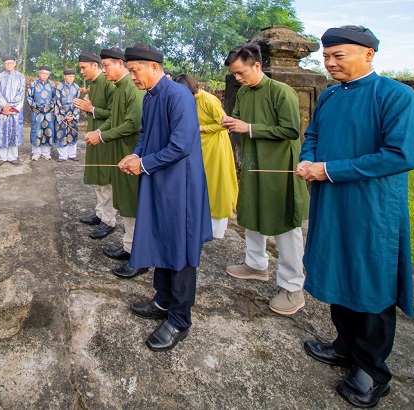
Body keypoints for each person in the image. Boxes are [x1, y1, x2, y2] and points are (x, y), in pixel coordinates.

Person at [296, 26, 414, 408]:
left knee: (371, 278)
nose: (330, 63)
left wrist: (330, 169)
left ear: (369, 54)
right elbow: (314, 134)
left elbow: (402, 154)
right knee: (338, 269)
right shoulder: (331, 95)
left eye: (340, 55)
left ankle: (372, 369)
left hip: (372, 206)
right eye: (326, 57)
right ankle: (344, 345)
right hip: (332, 201)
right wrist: (308, 158)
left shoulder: (397, 96)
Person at [117, 44, 212, 351]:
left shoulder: (177, 95)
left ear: (154, 68)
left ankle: (180, 319)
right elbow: (145, 134)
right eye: (130, 71)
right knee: (160, 237)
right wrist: (136, 154)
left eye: (135, 71)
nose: (133, 77)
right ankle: (162, 300)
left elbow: (181, 145)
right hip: (158, 179)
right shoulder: (150, 97)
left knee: (180, 247)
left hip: (179, 186)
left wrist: (144, 164)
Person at [221, 42, 309, 317]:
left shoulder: (282, 92)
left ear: (256, 65)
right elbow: (239, 120)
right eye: (234, 74)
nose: (238, 79)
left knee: (285, 224)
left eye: (241, 73)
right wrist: (229, 123)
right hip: (252, 162)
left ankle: (292, 285)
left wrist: (250, 128)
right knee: (251, 212)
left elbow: (291, 130)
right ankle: (256, 264)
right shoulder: (245, 94)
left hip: (277, 166)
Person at [84, 47, 143, 276]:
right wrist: (99, 133)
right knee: (125, 202)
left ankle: (138, 255)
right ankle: (129, 246)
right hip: (120, 152)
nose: (104, 70)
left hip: (132, 153)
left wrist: (102, 135)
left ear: (121, 63)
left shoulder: (131, 88)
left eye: (107, 65)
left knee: (133, 204)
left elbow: (132, 124)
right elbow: (114, 119)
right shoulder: (119, 87)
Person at [174, 74, 237, 239]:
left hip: (215, 147)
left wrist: (201, 128)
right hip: (201, 147)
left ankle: (217, 229)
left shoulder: (208, 100)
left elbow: (223, 124)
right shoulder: (190, 100)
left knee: (216, 184)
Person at [75, 51, 117, 239]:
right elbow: (97, 110)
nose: (81, 71)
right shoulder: (94, 84)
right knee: (98, 177)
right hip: (95, 135)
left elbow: (115, 115)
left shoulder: (109, 84)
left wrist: (91, 109)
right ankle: (100, 214)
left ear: (95, 65)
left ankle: (109, 220)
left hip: (106, 138)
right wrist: (89, 108)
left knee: (106, 179)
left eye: (84, 67)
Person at [0, 55, 25, 165]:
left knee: (14, 132)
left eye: (11, 63)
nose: (8, 65)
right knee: (2, 131)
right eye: (6, 63)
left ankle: (13, 156)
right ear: (4, 65)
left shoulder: (21, 77)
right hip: (2, 110)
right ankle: (2, 157)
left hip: (14, 110)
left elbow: (21, 94)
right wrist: (4, 106)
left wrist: (10, 107)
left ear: (15, 64)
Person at [27, 66, 57, 161]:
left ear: (49, 75)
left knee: (48, 131)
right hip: (37, 112)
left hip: (48, 113)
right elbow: (29, 97)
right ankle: (36, 153)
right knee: (37, 131)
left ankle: (46, 153)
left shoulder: (52, 85)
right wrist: (36, 106)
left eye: (46, 74)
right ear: (39, 73)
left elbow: (55, 98)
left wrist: (50, 106)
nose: (44, 75)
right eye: (42, 73)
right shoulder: (33, 84)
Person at [54, 68, 81, 162]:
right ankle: (62, 155)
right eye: (69, 76)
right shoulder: (59, 87)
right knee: (61, 134)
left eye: (73, 76)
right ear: (64, 76)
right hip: (62, 115)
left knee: (72, 134)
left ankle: (72, 154)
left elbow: (78, 102)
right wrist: (64, 115)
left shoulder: (77, 87)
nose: (71, 78)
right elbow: (57, 102)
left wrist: (73, 115)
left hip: (73, 114)